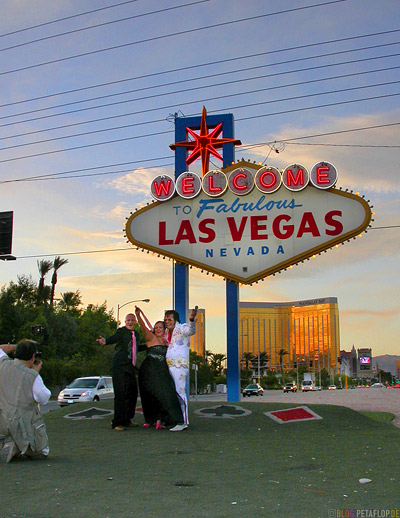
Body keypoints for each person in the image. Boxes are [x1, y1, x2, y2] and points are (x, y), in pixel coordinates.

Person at [0, 340, 51, 463]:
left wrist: (18, 345)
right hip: (21, 425)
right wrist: (35, 372)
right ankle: (17, 446)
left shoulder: (2, 364)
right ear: (33, 357)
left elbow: (1, 348)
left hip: (2, 420)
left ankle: (9, 442)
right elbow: (44, 398)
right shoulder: (32, 376)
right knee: (42, 452)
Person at [134, 306, 184, 430]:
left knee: (167, 394)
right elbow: (143, 328)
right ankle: (150, 419)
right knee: (148, 395)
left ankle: (171, 420)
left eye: (160, 327)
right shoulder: (151, 338)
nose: (158, 329)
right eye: (156, 328)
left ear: (164, 328)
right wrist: (139, 316)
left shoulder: (169, 340)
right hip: (149, 370)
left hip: (162, 371)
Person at [97, 314, 145, 430]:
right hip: (119, 366)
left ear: (135, 322)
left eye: (132, 320)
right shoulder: (121, 332)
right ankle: (117, 422)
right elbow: (114, 338)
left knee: (132, 393)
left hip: (130, 367)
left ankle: (127, 419)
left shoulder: (136, 334)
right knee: (121, 394)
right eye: (128, 320)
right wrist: (105, 341)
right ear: (125, 322)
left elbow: (136, 348)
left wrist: (150, 346)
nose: (130, 322)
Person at [165, 307, 197, 431]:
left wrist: (192, 319)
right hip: (169, 365)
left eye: (169, 319)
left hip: (179, 366)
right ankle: (175, 419)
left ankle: (183, 421)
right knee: (173, 393)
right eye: (166, 319)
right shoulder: (168, 333)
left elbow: (191, 331)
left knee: (180, 392)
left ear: (175, 320)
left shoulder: (182, 327)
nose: (167, 321)